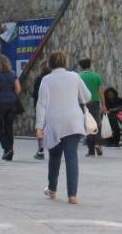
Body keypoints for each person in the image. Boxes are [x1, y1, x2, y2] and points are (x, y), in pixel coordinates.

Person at [35, 52, 91, 204]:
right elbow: (87, 96)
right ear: (65, 62)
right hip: (73, 121)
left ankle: (52, 189)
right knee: (71, 157)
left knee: (54, 157)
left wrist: (39, 126)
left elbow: (41, 104)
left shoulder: (46, 80)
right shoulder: (74, 76)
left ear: (49, 64)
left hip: (54, 123)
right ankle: (72, 195)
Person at [0, 54, 21, 161]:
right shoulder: (13, 74)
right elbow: (18, 89)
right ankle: (9, 152)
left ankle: (7, 148)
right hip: (12, 103)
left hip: (0, 104)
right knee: (8, 127)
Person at [78, 58, 103, 157]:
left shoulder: (79, 77)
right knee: (96, 124)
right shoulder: (96, 76)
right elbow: (101, 91)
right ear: (90, 65)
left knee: (87, 125)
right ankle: (97, 143)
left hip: (83, 104)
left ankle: (91, 150)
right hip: (95, 103)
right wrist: (104, 105)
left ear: (81, 66)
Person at [32, 62, 52, 160]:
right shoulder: (52, 79)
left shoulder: (38, 79)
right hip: (52, 106)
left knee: (40, 128)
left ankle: (41, 150)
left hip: (41, 107)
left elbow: (35, 94)